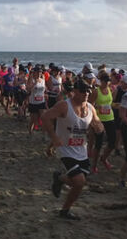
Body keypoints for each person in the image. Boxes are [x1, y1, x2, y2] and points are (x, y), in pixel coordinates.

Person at [44, 79, 103, 220]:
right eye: (83, 90)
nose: (86, 93)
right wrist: (54, 137)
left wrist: (99, 127)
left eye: (88, 90)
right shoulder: (64, 106)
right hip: (65, 149)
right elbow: (45, 117)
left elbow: (97, 123)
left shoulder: (90, 108)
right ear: (75, 91)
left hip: (81, 150)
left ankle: (60, 182)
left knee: (79, 184)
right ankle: (64, 210)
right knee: (79, 181)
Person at [89, 71, 116, 174]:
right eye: (105, 81)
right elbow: (90, 105)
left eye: (108, 81)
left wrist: (115, 105)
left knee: (112, 142)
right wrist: (93, 120)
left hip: (110, 118)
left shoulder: (109, 90)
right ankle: (94, 165)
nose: (107, 83)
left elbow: (109, 103)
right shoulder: (96, 91)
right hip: (99, 120)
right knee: (99, 144)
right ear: (101, 81)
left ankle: (104, 158)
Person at [27, 67, 46, 135]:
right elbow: (28, 90)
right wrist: (35, 83)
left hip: (41, 102)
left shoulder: (43, 80)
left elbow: (44, 90)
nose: (39, 74)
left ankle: (43, 134)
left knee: (43, 118)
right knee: (33, 120)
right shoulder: (31, 80)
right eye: (37, 72)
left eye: (40, 72)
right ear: (34, 73)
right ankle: (30, 132)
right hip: (33, 102)